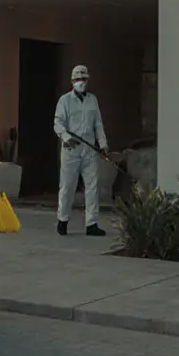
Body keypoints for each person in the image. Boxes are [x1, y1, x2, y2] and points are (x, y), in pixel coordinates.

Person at [53, 64, 108, 237]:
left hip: (89, 149)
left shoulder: (93, 100)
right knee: (68, 186)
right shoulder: (65, 101)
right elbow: (58, 123)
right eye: (77, 79)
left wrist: (103, 143)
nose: (81, 82)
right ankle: (63, 220)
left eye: (83, 79)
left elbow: (98, 123)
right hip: (71, 150)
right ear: (72, 81)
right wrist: (66, 138)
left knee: (92, 187)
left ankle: (92, 224)